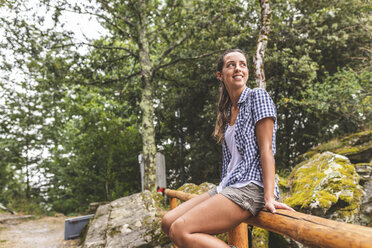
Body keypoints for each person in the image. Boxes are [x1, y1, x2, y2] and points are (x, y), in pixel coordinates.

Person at [161, 48, 294, 248]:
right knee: (168, 222)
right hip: (230, 184)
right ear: (220, 75)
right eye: (231, 65)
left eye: (242, 64)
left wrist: (269, 196)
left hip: (252, 185)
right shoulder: (227, 111)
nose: (238, 69)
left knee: (180, 230)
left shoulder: (257, 97)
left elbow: (267, 149)